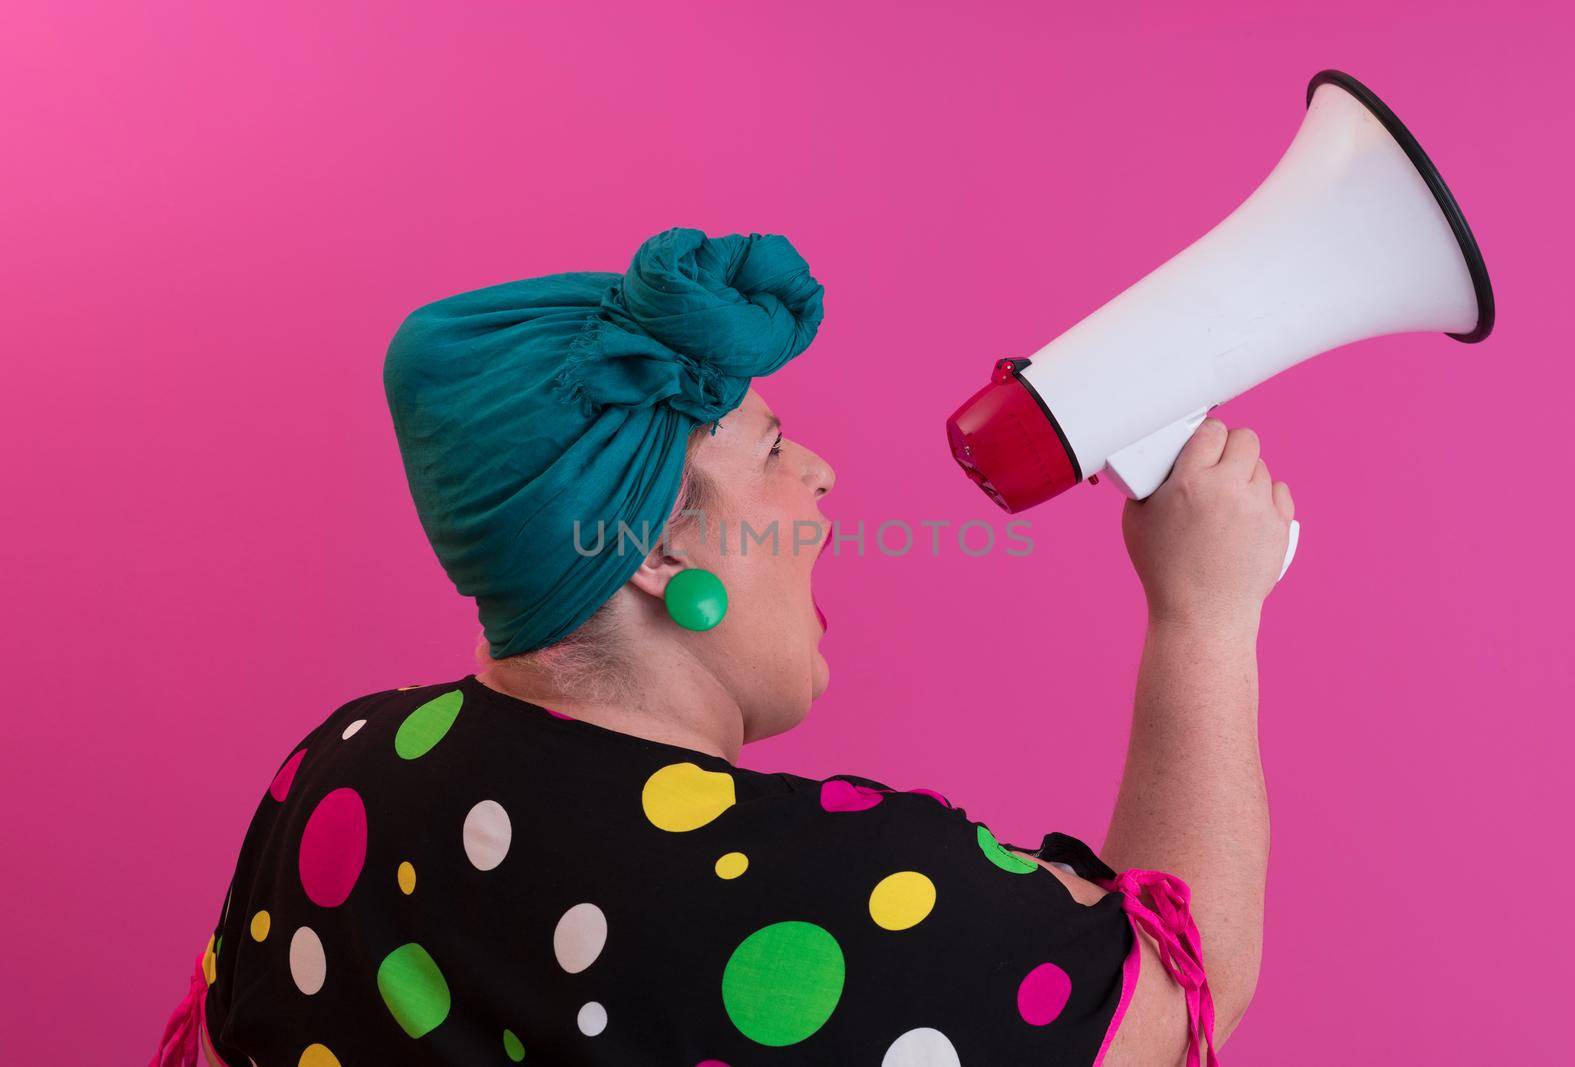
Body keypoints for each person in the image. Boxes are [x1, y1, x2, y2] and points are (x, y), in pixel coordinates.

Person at [153, 228, 1293, 1067]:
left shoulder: (340, 768)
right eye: (773, 444)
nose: (820, 475)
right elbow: (1174, 993)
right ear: (652, 548)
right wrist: (1205, 612)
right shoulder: (851, 892)